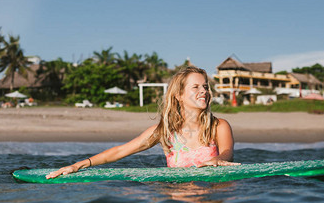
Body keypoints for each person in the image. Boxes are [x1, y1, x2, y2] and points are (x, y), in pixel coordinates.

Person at [46, 67, 239, 179]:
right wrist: (78, 166)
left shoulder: (218, 126)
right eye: (195, 87)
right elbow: (120, 151)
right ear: (179, 95)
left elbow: (227, 152)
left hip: (214, 196)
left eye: (205, 86)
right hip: (177, 197)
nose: (203, 91)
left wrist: (218, 159)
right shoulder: (165, 132)